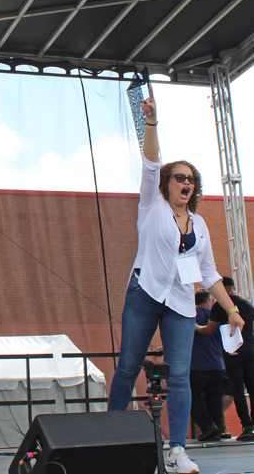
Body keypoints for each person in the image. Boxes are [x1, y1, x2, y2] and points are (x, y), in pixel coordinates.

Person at [107, 84, 244, 474]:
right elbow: (151, 162)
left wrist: (231, 310)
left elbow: (208, 274)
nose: (186, 183)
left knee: (180, 377)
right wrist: (151, 120)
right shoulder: (151, 204)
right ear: (167, 183)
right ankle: (110, 435)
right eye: (180, 177)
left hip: (182, 305)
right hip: (145, 293)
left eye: (192, 180)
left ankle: (177, 450)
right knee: (129, 366)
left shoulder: (199, 225)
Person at [196, 276, 254, 441]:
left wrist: (196, 328)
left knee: (238, 390)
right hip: (250, 350)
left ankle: (247, 427)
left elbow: (209, 330)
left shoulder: (220, 305)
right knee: (252, 387)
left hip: (232, 351)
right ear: (233, 287)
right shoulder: (247, 303)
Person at [190, 290, 224, 442]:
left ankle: (208, 426)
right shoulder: (215, 316)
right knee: (215, 398)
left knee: (193, 397)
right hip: (217, 364)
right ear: (209, 300)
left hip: (196, 364)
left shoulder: (190, 315)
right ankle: (218, 427)